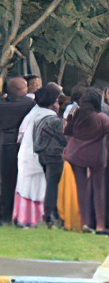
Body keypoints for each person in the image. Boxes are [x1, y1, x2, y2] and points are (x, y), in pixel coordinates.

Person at [13, 85, 61, 227]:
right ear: (52, 102)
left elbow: (19, 136)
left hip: (24, 155)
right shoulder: (50, 116)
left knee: (24, 187)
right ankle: (35, 219)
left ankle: (21, 218)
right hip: (39, 157)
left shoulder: (33, 112)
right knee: (38, 188)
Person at [0, 75, 30, 222]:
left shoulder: (4, 103)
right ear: (19, 89)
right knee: (13, 182)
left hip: (4, 144)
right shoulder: (27, 103)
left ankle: (5, 214)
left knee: (6, 182)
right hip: (14, 147)